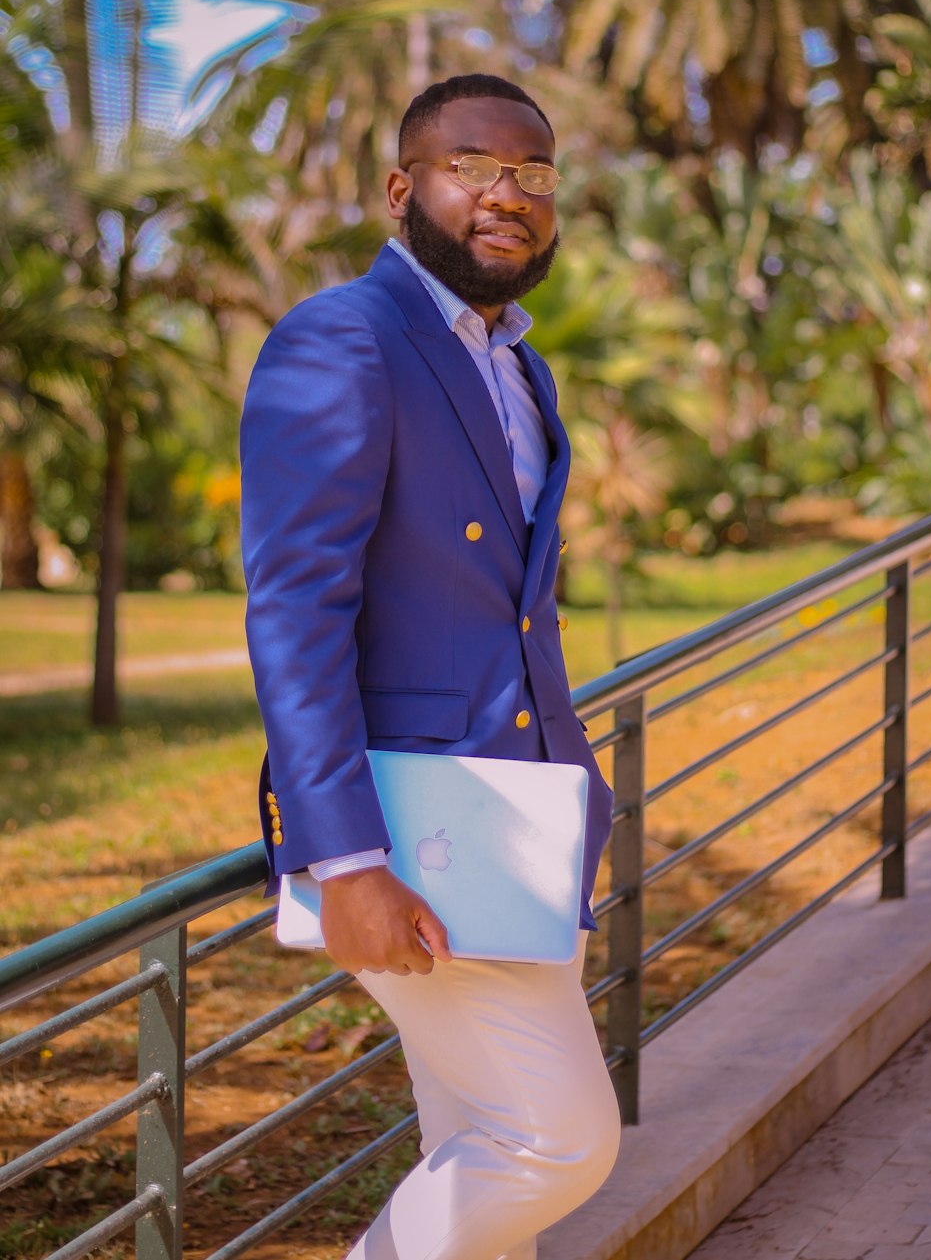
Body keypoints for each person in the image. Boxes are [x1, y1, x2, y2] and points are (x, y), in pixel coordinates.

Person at [240, 72, 620, 1260]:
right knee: (558, 1141)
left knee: (476, 1139)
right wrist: (342, 858)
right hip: (407, 830)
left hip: (513, 818)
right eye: (472, 167)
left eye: (533, 173)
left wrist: (575, 806)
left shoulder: (518, 363)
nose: (507, 194)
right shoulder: (343, 337)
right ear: (405, 189)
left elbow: (510, 615)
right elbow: (296, 605)